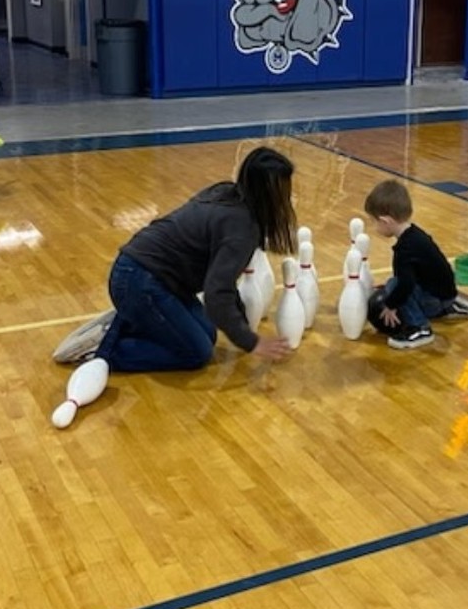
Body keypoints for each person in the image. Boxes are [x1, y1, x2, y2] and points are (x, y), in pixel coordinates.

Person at [51, 146, 297, 428]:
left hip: (146, 274)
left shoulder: (227, 194)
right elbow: (217, 294)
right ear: (269, 192)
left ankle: (130, 321)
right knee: (196, 353)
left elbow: (222, 286)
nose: (288, 198)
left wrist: (240, 326)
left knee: (207, 333)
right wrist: (251, 342)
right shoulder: (241, 227)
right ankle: (105, 347)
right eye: (284, 191)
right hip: (140, 282)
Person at [364, 179, 468, 350]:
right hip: (445, 290)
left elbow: (405, 285)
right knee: (396, 284)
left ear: (386, 221)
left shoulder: (404, 250)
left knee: (394, 285)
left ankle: (420, 329)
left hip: (436, 296)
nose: (374, 226)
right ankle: (449, 307)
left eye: (373, 221)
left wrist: (391, 305)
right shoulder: (416, 235)